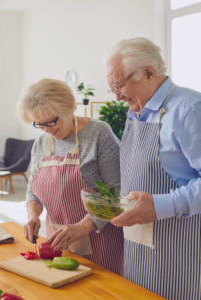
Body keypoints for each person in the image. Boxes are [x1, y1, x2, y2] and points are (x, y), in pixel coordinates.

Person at [103, 37, 201, 300]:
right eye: (111, 87)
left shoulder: (190, 109)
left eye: (120, 85)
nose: (116, 96)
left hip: (181, 250)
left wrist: (159, 205)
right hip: (138, 245)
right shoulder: (136, 113)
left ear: (149, 73)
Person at [16, 78, 124, 275]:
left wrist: (82, 227)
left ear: (68, 108)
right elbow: (33, 189)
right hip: (57, 242)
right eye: (39, 124)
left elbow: (117, 192)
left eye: (50, 121)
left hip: (99, 241)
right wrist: (33, 216)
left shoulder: (98, 133)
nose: (46, 130)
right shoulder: (41, 143)